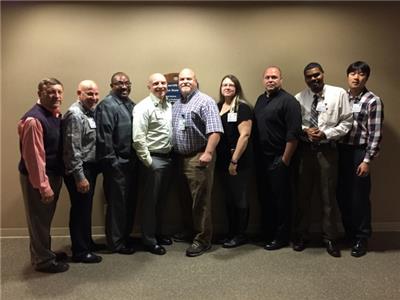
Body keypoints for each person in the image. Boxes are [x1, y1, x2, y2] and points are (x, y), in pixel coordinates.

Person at [293, 62, 353, 257]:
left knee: (328, 198)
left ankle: (330, 238)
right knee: (303, 196)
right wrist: (306, 130)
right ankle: (302, 235)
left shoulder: (339, 94)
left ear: (323, 74)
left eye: (316, 75)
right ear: (305, 79)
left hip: (328, 151)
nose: (313, 79)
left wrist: (326, 133)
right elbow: (296, 124)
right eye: (309, 77)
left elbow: (347, 122)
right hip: (305, 152)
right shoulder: (299, 98)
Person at [18, 78, 69, 273]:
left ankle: (44, 253)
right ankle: (43, 261)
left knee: (44, 218)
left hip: (52, 174)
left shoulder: (53, 115)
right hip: (39, 178)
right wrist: (43, 186)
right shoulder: (34, 120)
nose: (56, 96)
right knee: (39, 220)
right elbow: (34, 157)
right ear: (40, 94)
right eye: (51, 93)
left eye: (59, 92)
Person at [172, 68, 224, 257]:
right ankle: (189, 231)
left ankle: (203, 239)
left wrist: (208, 152)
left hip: (199, 156)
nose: (185, 81)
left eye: (189, 79)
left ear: (196, 81)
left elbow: (215, 131)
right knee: (185, 198)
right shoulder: (177, 104)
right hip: (180, 157)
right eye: (182, 79)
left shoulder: (205, 101)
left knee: (200, 200)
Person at [337, 61, 384, 257]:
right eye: (353, 73)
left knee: (359, 198)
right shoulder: (341, 97)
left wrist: (367, 160)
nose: (356, 77)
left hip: (359, 152)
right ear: (347, 76)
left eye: (361, 74)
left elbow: (375, 134)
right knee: (342, 195)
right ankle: (349, 234)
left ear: (366, 77)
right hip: (340, 151)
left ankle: (361, 237)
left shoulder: (373, 100)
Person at [253, 66, 302, 250]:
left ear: (281, 80)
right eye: (267, 77)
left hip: (279, 158)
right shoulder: (260, 100)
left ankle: (281, 237)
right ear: (263, 80)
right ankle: (268, 233)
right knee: (265, 198)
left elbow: (293, 134)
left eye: (274, 77)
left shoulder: (289, 102)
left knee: (281, 201)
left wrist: (285, 160)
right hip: (262, 160)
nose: (270, 80)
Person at [95, 72, 137, 254]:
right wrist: (114, 164)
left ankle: (125, 238)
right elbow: (104, 139)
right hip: (116, 165)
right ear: (111, 85)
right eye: (119, 83)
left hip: (131, 163)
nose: (124, 86)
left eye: (127, 83)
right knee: (117, 204)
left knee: (128, 203)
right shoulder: (107, 105)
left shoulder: (130, 104)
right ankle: (116, 243)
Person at [63, 80, 103, 263]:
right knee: (80, 209)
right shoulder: (75, 114)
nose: (94, 98)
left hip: (89, 167)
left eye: (96, 94)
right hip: (80, 169)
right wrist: (80, 177)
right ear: (79, 93)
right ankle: (80, 251)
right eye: (89, 94)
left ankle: (86, 243)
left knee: (85, 208)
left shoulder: (90, 112)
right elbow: (72, 149)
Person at [132, 73, 173, 256]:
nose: (160, 86)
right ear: (149, 86)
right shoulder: (143, 107)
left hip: (168, 158)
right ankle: (149, 240)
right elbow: (138, 139)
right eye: (155, 83)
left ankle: (158, 233)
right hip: (153, 160)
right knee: (150, 203)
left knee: (162, 201)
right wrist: (149, 162)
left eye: (163, 83)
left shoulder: (168, 105)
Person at [216, 74, 253, 248]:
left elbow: (244, 135)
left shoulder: (242, 108)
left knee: (240, 198)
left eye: (231, 85)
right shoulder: (218, 107)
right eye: (225, 85)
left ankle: (240, 234)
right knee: (228, 199)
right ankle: (230, 232)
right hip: (221, 160)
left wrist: (234, 160)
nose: (228, 87)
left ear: (236, 88)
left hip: (238, 161)